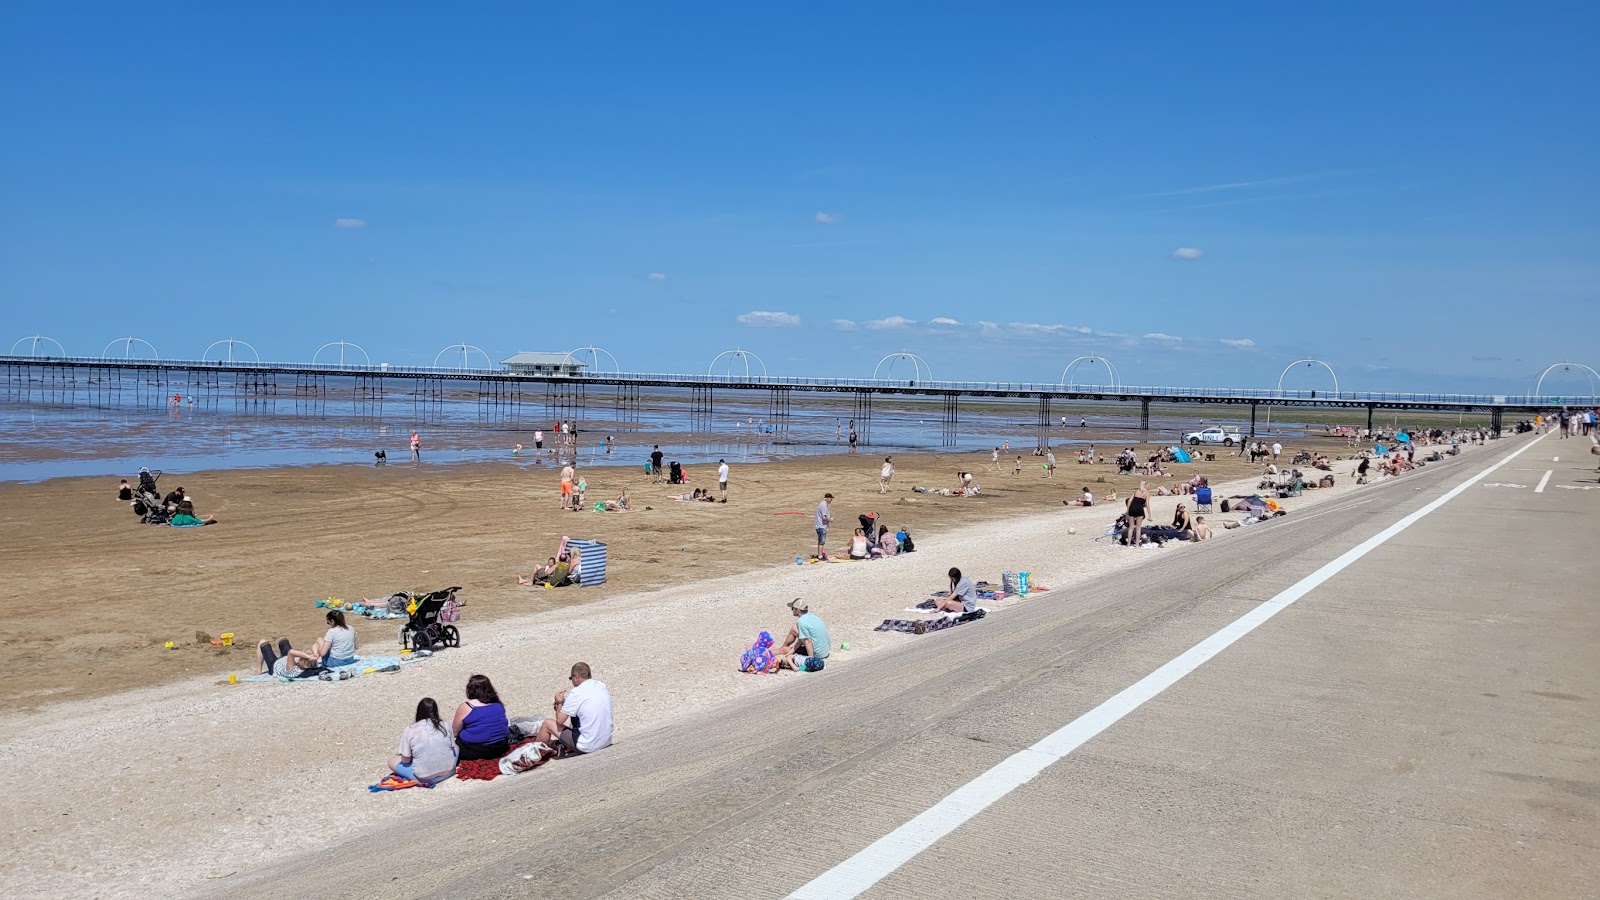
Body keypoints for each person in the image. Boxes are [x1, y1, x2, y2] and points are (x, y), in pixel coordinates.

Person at [533, 662, 614, 755]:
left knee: (547, 724)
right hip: (606, 740)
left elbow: (560, 720)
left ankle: (534, 752)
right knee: (576, 720)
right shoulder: (601, 685)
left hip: (587, 745)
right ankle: (556, 745)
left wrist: (559, 702)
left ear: (576, 677)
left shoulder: (576, 692)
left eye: (571, 678)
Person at [390, 698, 457, 783]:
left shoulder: (410, 729)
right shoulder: (445, 724)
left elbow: (406, 760)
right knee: (456, 748)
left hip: (424, 777)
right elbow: (452, 746)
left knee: (391, 761)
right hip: (448, 771)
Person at [453, 674, 510, 761]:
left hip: (476, 750)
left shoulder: (467, 707)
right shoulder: (497, 703)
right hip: (500, 746)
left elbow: (455, 731)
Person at [774, 598, 831, 671]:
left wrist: (810, 659)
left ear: (797, 609)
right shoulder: (812, 616)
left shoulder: (801, 622)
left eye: (792, 608)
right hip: (825, 650)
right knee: (794, 628)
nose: (792, 610)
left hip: (818, 654)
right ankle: (782, 650)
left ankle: (770, 653)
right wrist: (791, 652)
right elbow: (802, 639)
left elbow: (808, 641)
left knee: (784, 649)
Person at [253, 638, 319, 678]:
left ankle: (259, 669)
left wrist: (308, 656)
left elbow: (291, 652)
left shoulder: (294, 670)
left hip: (274, 665)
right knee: (283, 639)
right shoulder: (312, 664)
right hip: (286, 659)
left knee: (262, 642)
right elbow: (315, 645)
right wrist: (316, 654)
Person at [1125, 482, 1150, 548]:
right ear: (1145, 486)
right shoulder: (1147, 494)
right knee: (1138, 528)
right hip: (1139, 509)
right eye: (1148, 485)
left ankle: (1128, 544)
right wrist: (1150, 516)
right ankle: (1137, 544)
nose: (1149, 486)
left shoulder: (1136, 491)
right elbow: (1147, 505)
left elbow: (1129, 501)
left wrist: (1128, 510)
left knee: (1131, 527)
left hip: (1132, 508)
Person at [814, 492, 832, 560]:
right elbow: (824, 517)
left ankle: (820, 554)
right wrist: (830, 520)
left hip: (820, 525)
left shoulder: (822, 504)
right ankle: (820, 556)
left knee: (821, 541)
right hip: (821, 526)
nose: (831, 500)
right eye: (831, 499)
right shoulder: (824, 505)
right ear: (828, 498)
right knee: (822, 541)